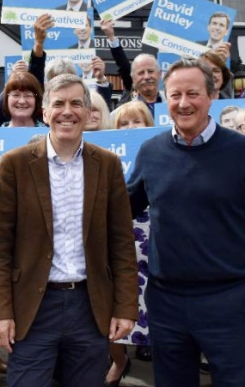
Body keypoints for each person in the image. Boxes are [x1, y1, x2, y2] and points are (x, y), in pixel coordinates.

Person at [127, 58, 245, 387]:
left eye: (193, 93)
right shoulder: (150, 152)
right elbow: (119, 211)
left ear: (212, 96)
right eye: (175, 95)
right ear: (165, 98)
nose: (184, 103)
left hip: (230, 301)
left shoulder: (244, 152)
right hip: (167, 302)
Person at [0, 74, 138, 386]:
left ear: (88, 112)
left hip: (89, 306)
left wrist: (125, 308)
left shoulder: (107, 166)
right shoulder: (14, 165)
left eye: (76, 103)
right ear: (45, 112)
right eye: (59, 104)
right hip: (33, 307)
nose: (67, 111)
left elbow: (121, 245)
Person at [104, 103, 156, 386]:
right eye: (124, 123)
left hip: (154, 234)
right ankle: (119, 359)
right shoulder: (106, 156)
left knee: (155, 302)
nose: (130, 128)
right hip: (119, 235)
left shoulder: (160, 151)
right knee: (114, 302)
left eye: (137, 121)